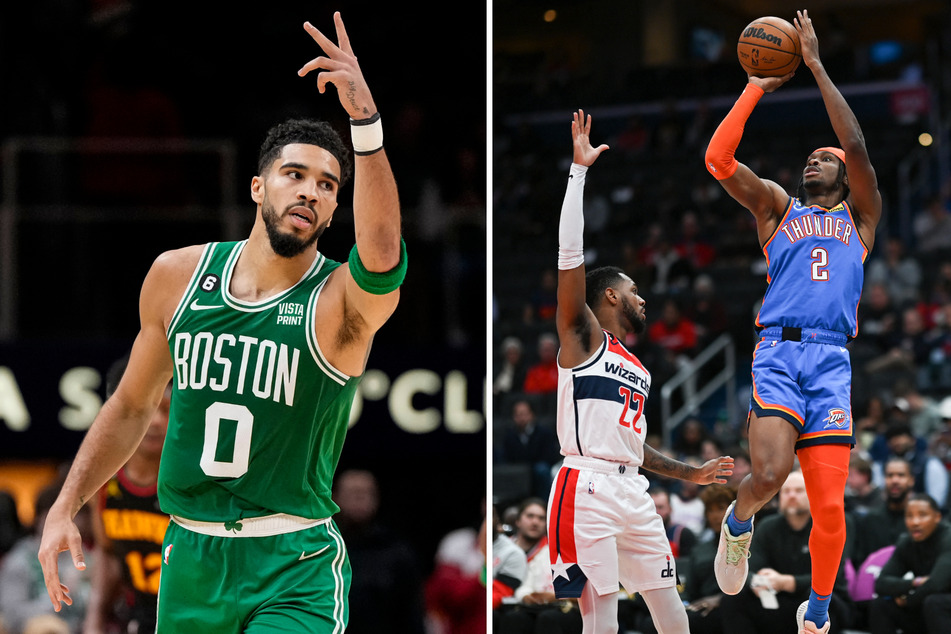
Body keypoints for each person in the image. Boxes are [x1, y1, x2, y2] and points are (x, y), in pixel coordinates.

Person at [38, 12, 406, 632]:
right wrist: (65, 506)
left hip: (293, 563)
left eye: (326, 185)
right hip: (191, 559)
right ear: (259, 187)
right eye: (295, 175)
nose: (310, 192)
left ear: (337, 206)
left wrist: (365, 124)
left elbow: (383, 253)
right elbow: (131, 406)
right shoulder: (177, 276)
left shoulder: (337, 303)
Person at [703, 11, 883, 634]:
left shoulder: (862, 219)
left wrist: (813, 63)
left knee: (831, 508)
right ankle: (739, 524)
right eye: (810, 157)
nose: (815, 161)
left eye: (823, 159)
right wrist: (756, 84)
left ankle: (820, 610)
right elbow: (718, 158)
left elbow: (855, 144)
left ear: (842, 174)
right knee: (772, 477)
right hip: (778, 355)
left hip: (832, 363)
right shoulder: (778, 207)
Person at [548, 109, 733, 634]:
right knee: (601, 621)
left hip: (634, 491)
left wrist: (687, 473)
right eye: (634, 290)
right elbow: (568, 255)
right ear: (609, 296)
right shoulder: (580, 338)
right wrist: (578, 173)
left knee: (674, 617)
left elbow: (634, 446)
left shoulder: (636, 366)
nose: (643, 297)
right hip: (585, 487)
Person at [83, 354, 171, 634]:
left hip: (190, 613)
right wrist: (95, 615)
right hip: (138, 616)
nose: (155, 421)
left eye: (166, 409)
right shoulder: (106, 484)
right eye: (147, 409)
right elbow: (108, 555)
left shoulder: (193, 480)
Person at [717, 470, 854, 634]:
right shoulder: (768, 526)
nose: (791, 496)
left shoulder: (830, 524)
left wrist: (787, 582)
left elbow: (835, 574)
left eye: (798, 491)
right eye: (786, 491)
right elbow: (750, 567)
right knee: (732, 601)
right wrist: (757, 581)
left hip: (822, 599)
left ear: (813, 494)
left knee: (822, 602)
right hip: (777, 599)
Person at [332, 469, 425, 634]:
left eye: (367, 493)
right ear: (335, 498)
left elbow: (412, 614)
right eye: (353, 493)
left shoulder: (397, 552)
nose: (360, 498)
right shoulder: (321, 549)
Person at [1, 485, 92, 634]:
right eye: (54, 517)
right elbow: (12, 616)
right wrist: (59, 598)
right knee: (47, 627)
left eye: (71, 516)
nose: (63, 524)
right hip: (41, 628)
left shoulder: (86, 555)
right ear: (39, 518)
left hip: (82, 627)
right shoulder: (19, 560)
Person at [870, 493, 951, 633]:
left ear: (937, 517)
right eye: (909, 516)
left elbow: (936, 584)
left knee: (934, 602)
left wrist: (908, 600)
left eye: (922, 515)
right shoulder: (906, 542)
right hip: (924, 605)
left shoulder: (948, 538)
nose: (915, 522)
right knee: (881, 604)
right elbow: (880, 583)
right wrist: (914, 583)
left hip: (942, 607)